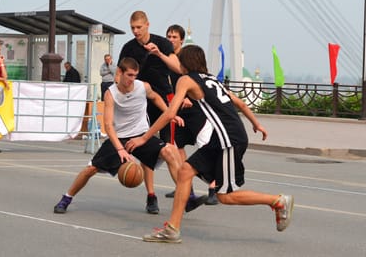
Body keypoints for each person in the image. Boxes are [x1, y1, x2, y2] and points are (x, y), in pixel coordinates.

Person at [125, 45, 294, 243]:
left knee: (226, 196)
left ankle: (277, 201)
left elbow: (171, 113)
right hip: (222, 137)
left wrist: (144, 138)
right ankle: (172, 229)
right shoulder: (212, 79)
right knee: (185, 172)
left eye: (179, 60)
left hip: (228, 138)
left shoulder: (185, 80)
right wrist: (256, 123)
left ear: (185, 62)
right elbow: (239, 103)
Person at [53, 57, 205, 214]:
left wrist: (169, 113)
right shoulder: (111, 94)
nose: (133, 79)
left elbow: (155, 97)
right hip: (119, 139)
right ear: (120, 72)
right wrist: (120, 149)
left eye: (135, 75)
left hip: (140, 135)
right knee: (90, 169)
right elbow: (108, 125)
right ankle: (67, 198)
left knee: (170, 151)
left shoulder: (143, 87)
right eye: (130, 75)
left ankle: (188, 197)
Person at [118, 10, 182, 214]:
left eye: (139, 27)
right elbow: (120, 75)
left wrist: (159, 54)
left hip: (164, 98)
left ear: (147, 25)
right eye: (132, 28)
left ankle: (184, 192)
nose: (136, 31)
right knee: (147, 148)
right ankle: (151, 195)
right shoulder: (128, 48)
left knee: (171, 147)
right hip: (140, 102)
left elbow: (178, 67)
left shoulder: (162, 43)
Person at [164, 24, 218, 205]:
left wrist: (187, 97)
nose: (171, 39)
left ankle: (214, 187)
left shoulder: (185, 59)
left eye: (174, 37)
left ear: (181, 39)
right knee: (177, 147)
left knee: (205, 148)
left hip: (195, 109)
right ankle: (187, 186)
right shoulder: (169, 58)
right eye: (168, 36)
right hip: (179, 110)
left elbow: (195, 80)